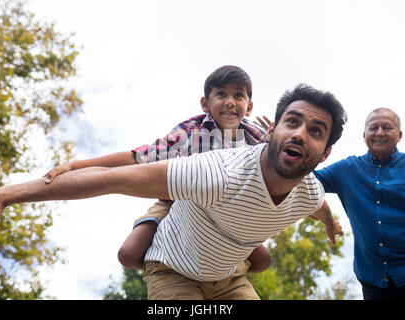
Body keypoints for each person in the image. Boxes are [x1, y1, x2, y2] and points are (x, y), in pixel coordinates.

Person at [0, 84, 346, 300]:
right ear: (273, 130)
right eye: (291, 123)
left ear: (325, 152)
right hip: (175, 271)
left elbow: (318, 206)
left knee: (259, 259)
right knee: (130, 252)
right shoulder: (215, 169)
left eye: (315, 131)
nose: (299, 134)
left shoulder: (310, 192)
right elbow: (116, 175)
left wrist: (330, 222)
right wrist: (5, 194)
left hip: (229, 279)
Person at [42, 65, 272, 272]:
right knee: (129, 254)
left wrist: (276, 140)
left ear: (249, 107)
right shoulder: (192, 131)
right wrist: (75, 165)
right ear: (205, 104)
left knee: (262, 261)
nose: (230, 101)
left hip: (225, 213)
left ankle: (225, 269)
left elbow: (284, 168)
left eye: (238, 96)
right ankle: (168, 262)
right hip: (177, 203)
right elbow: (139, 158)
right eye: (221, 94)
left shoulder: (255, 136)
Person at [312, 108, 405, 300]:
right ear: (364, 135)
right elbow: (304, 183)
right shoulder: (347, 169)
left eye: (387, 127)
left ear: (399, 135)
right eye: (373, 128)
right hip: (373, 275)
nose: (379, 132)